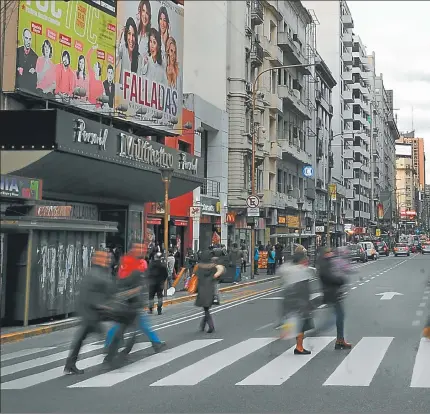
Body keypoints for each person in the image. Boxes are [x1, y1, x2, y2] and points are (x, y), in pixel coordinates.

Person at [105, 244, 166, 354]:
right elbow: (126, 280)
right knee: (126, 324)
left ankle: (155, 343)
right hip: (129, 301)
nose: (141, 252)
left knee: (136, 323)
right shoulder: (132, 263)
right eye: (138, 250)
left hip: (132, 300)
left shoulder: (134, 263)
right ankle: (110, 346)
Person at [64, 250, 115, 374]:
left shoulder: (99, 272)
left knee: (81, 338)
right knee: (107, 335)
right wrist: (103, 306)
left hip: (91, 312)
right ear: (96, 259)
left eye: (107, 257)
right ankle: (111, 360)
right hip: (91, 313)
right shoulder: (96, 274)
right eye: (103, 258)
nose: (107, 260)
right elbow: (95, 292)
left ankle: (70, 364)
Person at [315, 247, 352, 350]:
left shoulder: (326, 262)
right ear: (324, 254)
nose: (331, 253)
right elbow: (327, 277)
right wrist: (340, 280)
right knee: (336, 317)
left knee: (338, 315)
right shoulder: (324, 264)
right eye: (328, 252)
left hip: (333, 292)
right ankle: (317, 333)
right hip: (331, 293)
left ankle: (340, 339)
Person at [279, 246, 314, 354]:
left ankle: (285, 332)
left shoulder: (288, 268)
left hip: (288, 300)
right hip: (299, 301)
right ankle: (299, 347)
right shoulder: (301, 271)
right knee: (301, 324)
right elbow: (303, 289)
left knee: (292, 320)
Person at [195, 250, 225, 333]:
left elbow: (196, 276)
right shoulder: (213, 267)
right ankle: (202, 325)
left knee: (206, 309)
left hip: (202, 289)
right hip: (211, 289)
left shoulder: (199, 267)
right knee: (206, 308)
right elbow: (221, 272)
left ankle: (211, 326)